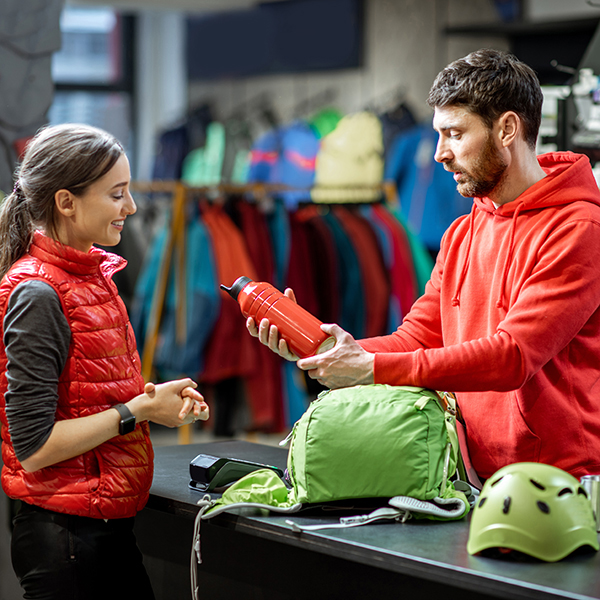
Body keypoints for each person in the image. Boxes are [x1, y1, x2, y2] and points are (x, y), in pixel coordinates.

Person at [248, 48, 600, 484]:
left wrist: (370, 368)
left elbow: (513, 356)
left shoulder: (579, 228)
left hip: (563, 483)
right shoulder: (461, 234)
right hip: (474, 476)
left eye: (454, 134)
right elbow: (415, 338)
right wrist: (328, 352)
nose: (438, 154)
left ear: (507, 129)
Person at [0, 123, 209, 600]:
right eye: (117, 194)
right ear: (66, 202)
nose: (131, 208)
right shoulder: (38, 293)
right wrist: (136, 411)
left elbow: (86, 394)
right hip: (67, 540)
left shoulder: (92, 279)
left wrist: (151, 400)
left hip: (98, 531)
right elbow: (34, 447)